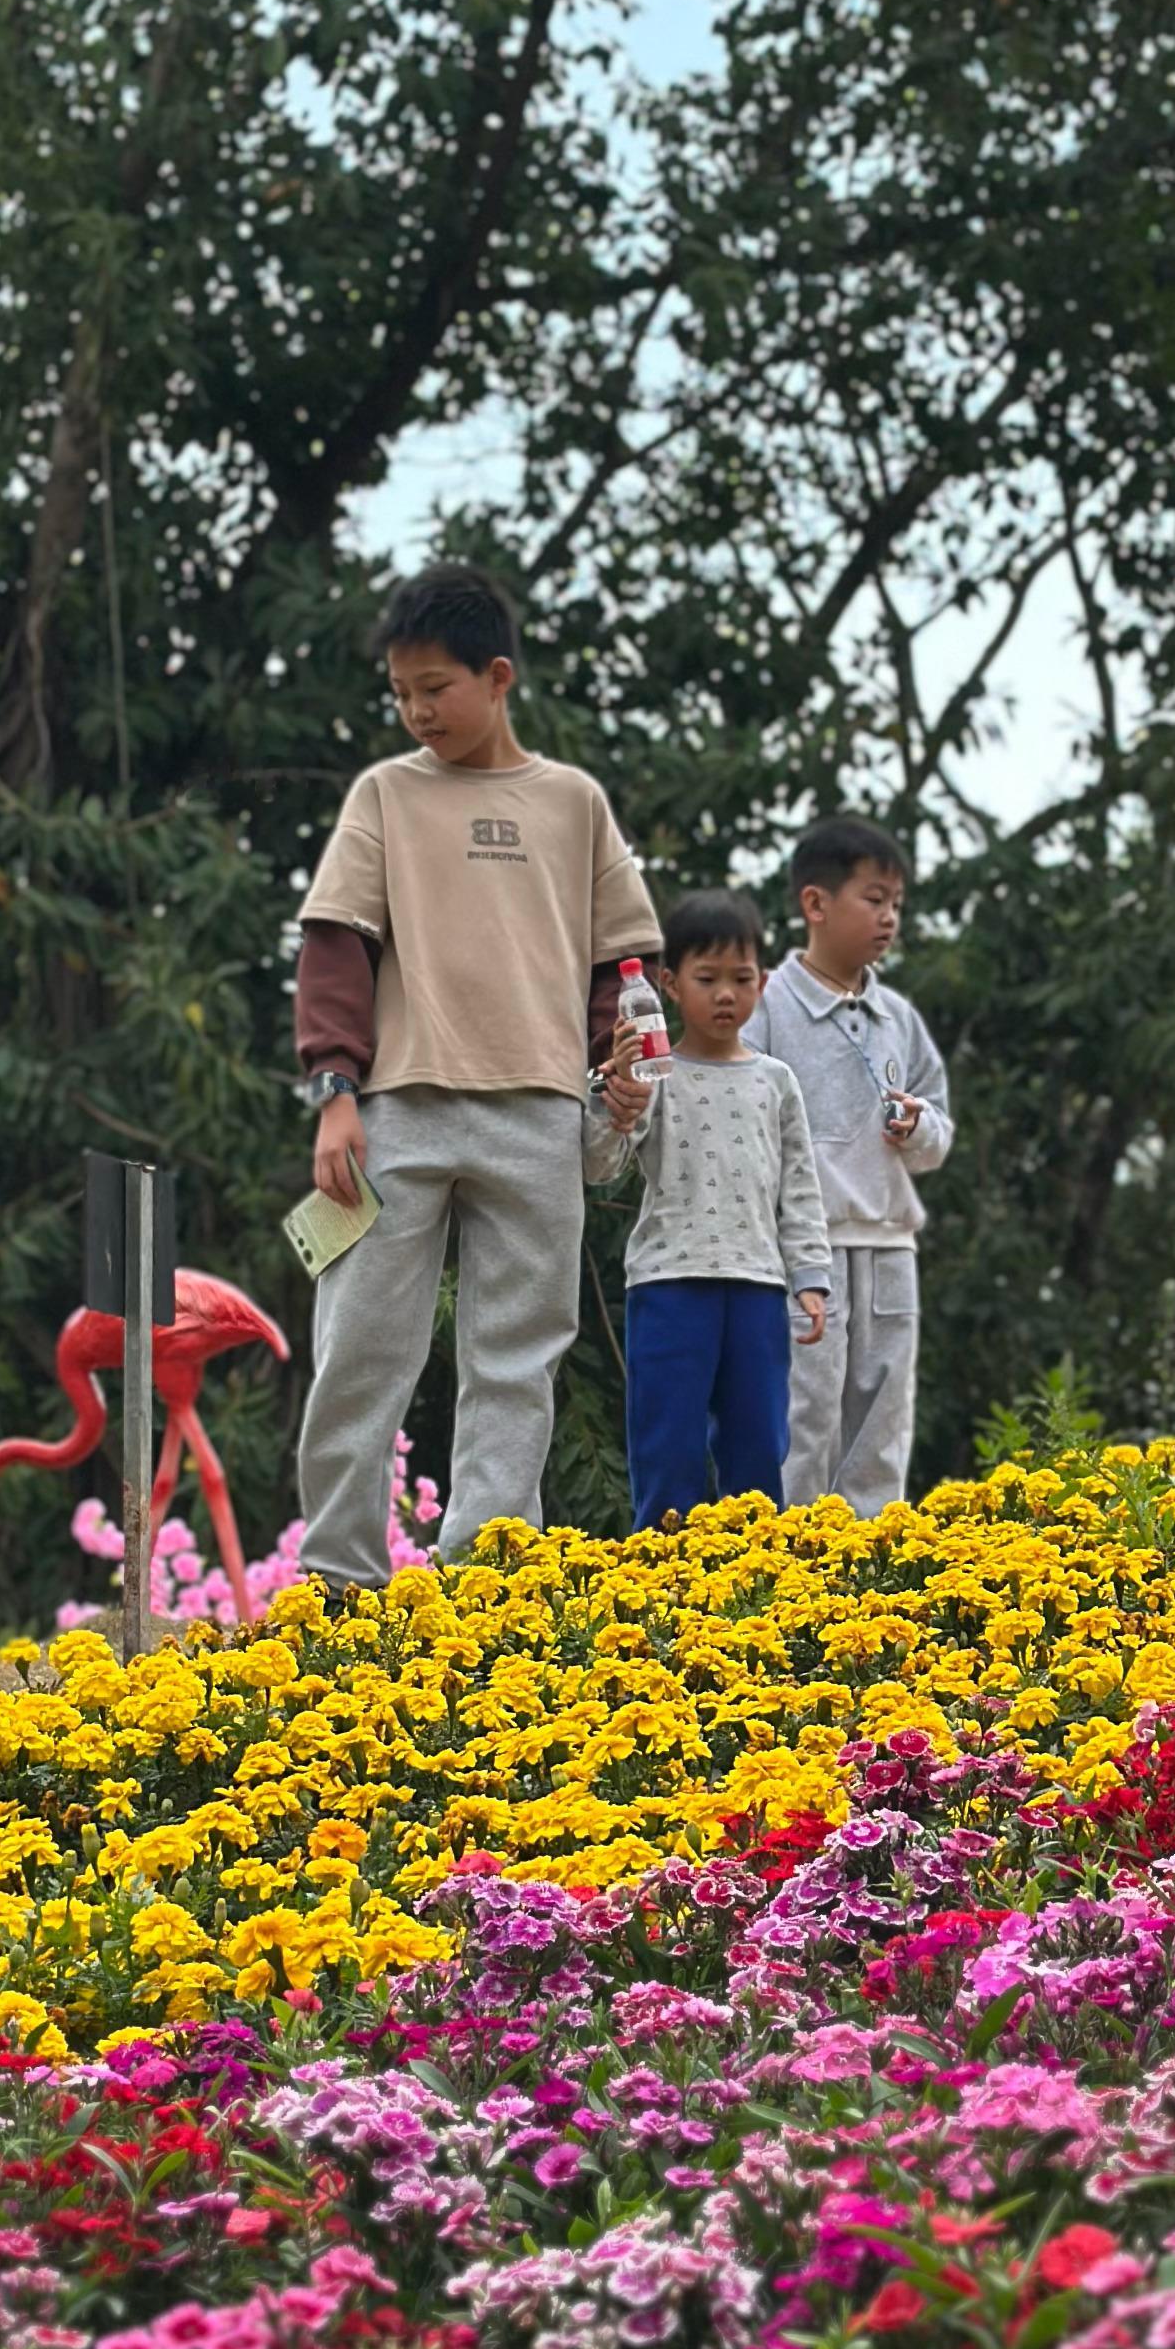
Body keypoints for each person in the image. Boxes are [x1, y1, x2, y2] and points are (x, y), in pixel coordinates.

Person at [290, 560, 663, 1591]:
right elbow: (335, 947)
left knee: (518, 1357)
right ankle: (337, 1581)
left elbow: (623, 969)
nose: (416, 712)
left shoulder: (573, 803)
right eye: (400, 692)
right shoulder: (385, 795)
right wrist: (334, 1093)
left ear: (498, 677)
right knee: (360, 1349)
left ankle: (486, 1581)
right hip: (395, 1112)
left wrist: (621, 1071)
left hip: (540, 1111)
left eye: (435, 688)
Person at [583, 889, 830, 1529]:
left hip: (757, 1286)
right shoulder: (653, 1075)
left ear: (762, 983)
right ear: (668, 985)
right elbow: (600, 1165)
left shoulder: (777, 1081)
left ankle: (760, 1574)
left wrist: (810, 1276)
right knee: (667, 1445)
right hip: (668, 1284)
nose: (726, 995)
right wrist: (615, 1092)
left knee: (759, 1446)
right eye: (707, 978)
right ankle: (660, 1571)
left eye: (741, 979)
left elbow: (800, 1187)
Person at [756, 813, 952, 1517]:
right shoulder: (767, 1004)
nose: (889, 917)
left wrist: (919, 1126)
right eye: (874, 899)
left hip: (892, 1244)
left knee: (883, 1425)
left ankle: (870, 1564)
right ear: (816, 903)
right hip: (804, 1254)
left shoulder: (898, 1016)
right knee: (804, 1417)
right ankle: (788, 1557)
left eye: (896, 902)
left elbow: (939, 1131)